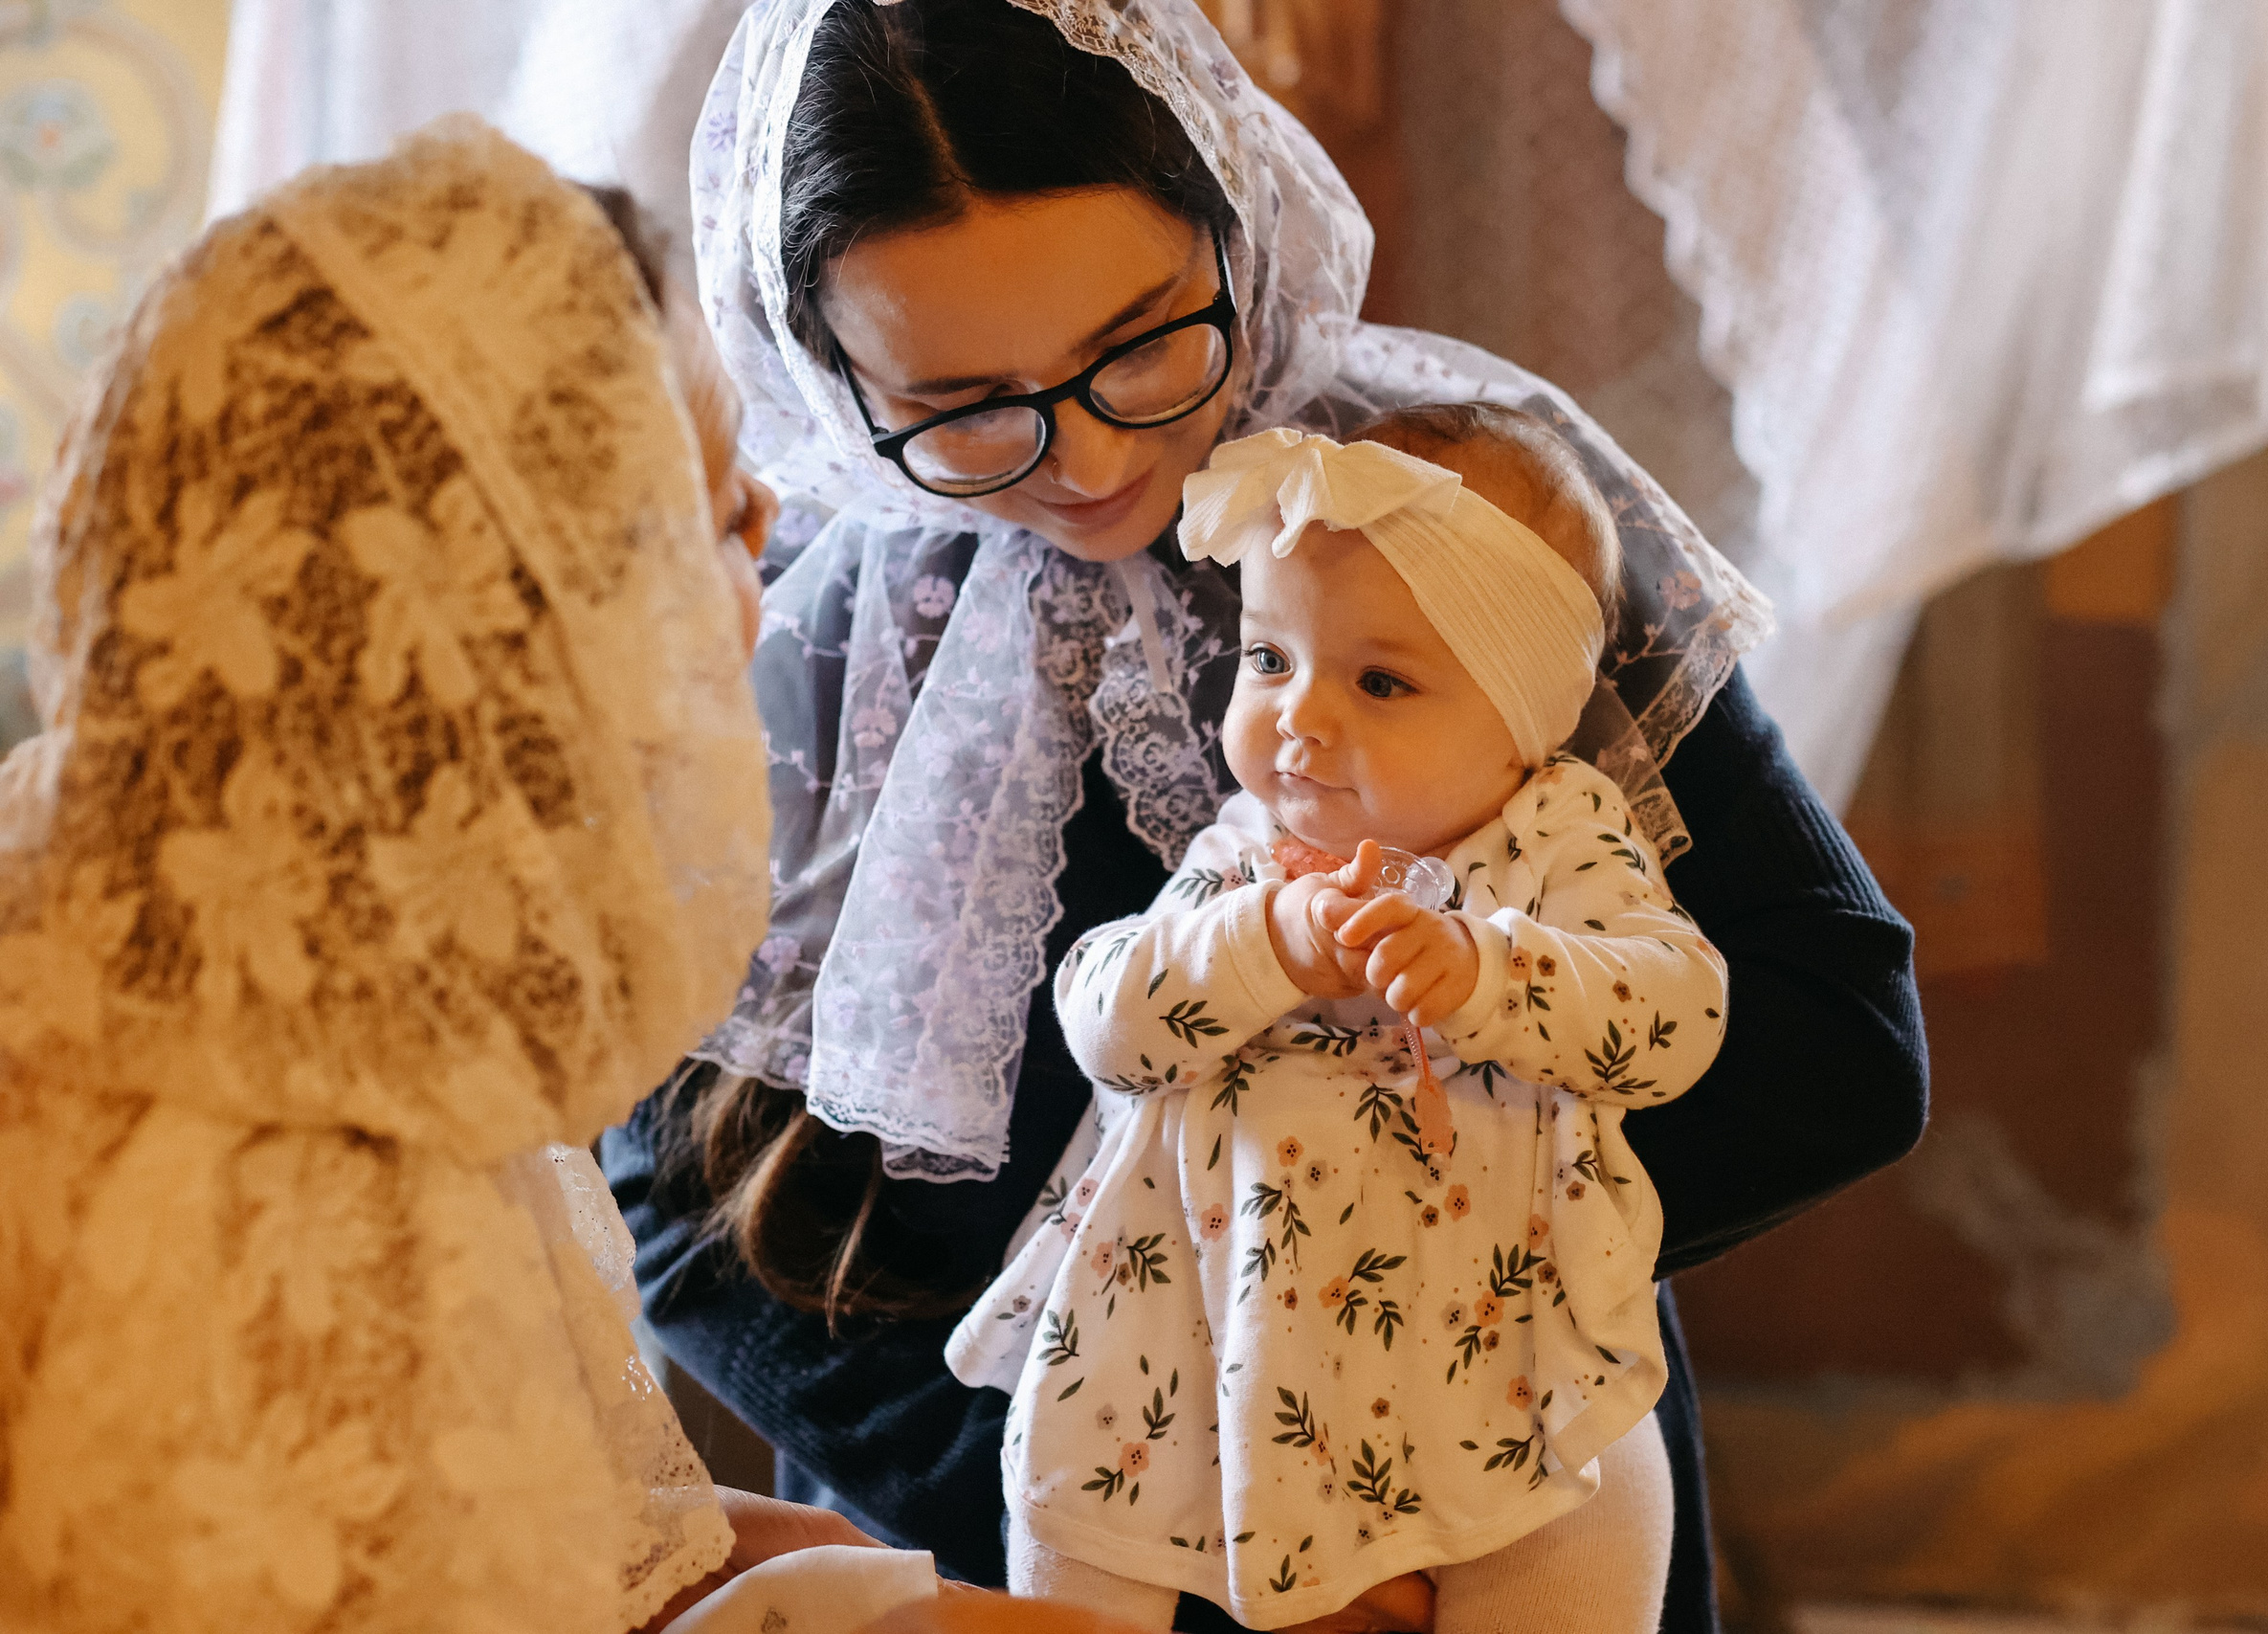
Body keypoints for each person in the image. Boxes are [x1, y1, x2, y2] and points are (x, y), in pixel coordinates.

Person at [608, 2, 1928, 1628]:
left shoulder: (1458, 505)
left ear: (1232, 214)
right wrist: (1136, 1502)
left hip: (1496, 1504)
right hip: (1027, 1550)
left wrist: (1425, 1397)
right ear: (828, 377)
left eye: (1146, 340)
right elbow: (678, 1197)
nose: (1086, 455)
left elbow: (1840, 1035)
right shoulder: (798, 640)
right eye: (961, 407)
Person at [0, 120, 788, 1632]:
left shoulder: (137, 919)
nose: (763, 574)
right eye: (719, 522)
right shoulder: (316, 1215)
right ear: (543, 632)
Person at [947, 412, 1727, 1632]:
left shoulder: (1554, 842)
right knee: (1072, 1513)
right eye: (1269, 659)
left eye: (1379, 681)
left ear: (1523, 715)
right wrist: (1267, 944)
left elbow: (1675, 1014)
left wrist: (1487, 972)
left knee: (1581, 1505)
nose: (1298, 718)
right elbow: (1105, 1016)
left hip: (1497, 1346)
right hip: (1194, 1346)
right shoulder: (1252, 854)